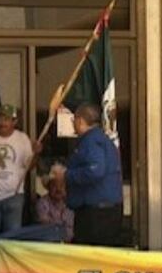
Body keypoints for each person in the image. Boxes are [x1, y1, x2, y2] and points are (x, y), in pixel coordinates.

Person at [63, 103, 124, 246]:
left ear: (80, 121)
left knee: (89, 253)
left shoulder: (90, 141)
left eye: (73, 120)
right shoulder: (104, 140)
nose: (73, 124)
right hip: (107, 209)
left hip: (95, 213)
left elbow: (95, 170)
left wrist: (67, 175)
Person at [0, 104, 40, 237]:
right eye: (0, 118)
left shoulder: (22, 138)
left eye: (6, 119)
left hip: (14, 197)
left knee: (12, 239)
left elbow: (30, 166)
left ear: (14, 122)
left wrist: (36, 154)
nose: (2, 122)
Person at [36, 174, 74, 242]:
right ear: (48, 188)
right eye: (54, 186)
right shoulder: (43, 202)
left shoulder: (72, 202)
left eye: (61, 186)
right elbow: (45, 223)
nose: (58, 189)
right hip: (51, 242)